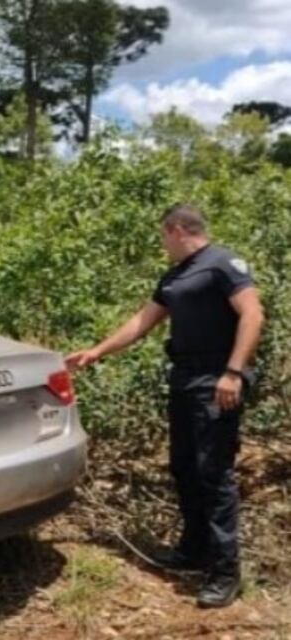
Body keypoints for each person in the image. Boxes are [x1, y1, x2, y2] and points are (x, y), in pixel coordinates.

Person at [66, 203, 264, 608]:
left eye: (163, 237)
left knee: (215, 473)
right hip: (185, 379)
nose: (163, 245)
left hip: (216, 379)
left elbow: (253, 315)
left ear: (176, 229)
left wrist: (234, 372)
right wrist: (97, 352)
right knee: (184, 466)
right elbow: (143, 321)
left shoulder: (222, 264)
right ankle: (194, 551)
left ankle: (225, 573)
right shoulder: (175, 275)